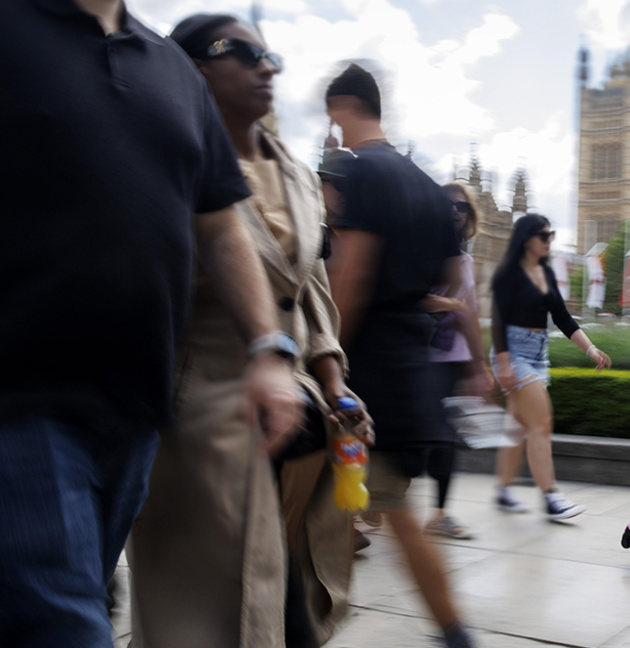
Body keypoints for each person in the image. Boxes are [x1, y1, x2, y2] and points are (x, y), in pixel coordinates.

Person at [0, 2, 302, 646]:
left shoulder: (169, 68)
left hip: (137, 413)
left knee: (59, 602)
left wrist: (269, 348)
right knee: (65, 622)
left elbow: (220, 225)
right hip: (23, 403)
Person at [128, 15, 371, 648]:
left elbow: (311, 286)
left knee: (287, 596)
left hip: (292, 418)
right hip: (202, 413)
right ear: (192, 70)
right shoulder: (165, 159)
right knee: (210, 608)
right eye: (239, 52)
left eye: (270, 55)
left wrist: (336, 383)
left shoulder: (293, 170)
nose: (266, 66)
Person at [323, 62, 475, 648]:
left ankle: (454, 633)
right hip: (414, 372)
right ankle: (454, 632)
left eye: (332, 114)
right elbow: (436, 287)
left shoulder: (364, 176)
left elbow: (351, 279)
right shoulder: (430, 191)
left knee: (369, 508)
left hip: (367, 377)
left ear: (343, 106)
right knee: (374, 510)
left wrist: (322, 357)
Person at [490, 214, 612, 520]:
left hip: (538, 354)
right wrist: (504, 364)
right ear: (527, 239)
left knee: (518, 426)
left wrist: (591, 349)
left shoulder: (544, 271)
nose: (550, 240)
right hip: (513, 353)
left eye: (551, 234)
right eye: (544, 235)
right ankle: (551, 497)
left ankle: (504, 491)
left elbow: (562, 317)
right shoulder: (508, 273)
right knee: (541, 421)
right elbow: (498, 320)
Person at [419, 181, 493, 540]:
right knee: (424, 435)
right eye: (448, 204)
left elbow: (472, 312)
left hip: (451, 357)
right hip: (418, 353)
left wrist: (479, 367)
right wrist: (451, 304)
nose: (454, 211)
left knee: (445, 438)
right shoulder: (418, 249)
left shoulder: (465, 259)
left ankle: (440, 513)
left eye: (462, 207)